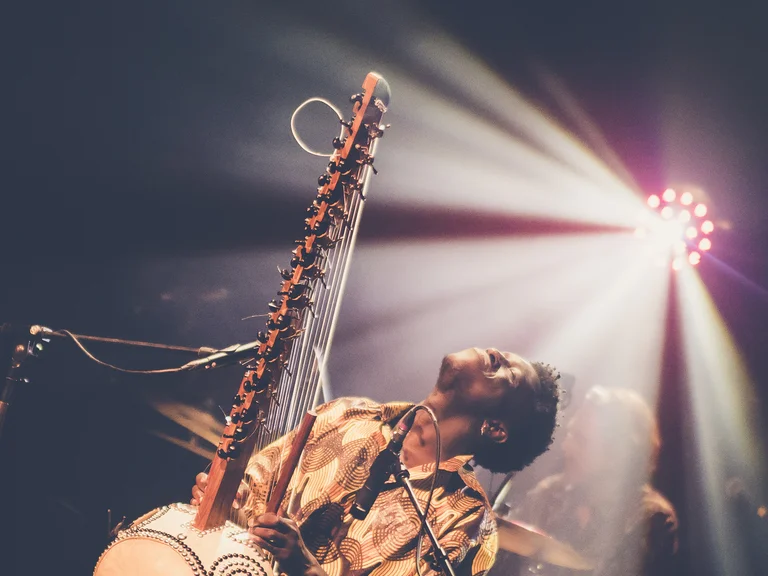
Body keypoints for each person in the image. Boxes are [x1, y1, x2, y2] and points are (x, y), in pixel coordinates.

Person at [191, 347, 562, 576]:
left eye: (511, 375)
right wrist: (225, 497)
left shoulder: (464, 517)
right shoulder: (347, 413)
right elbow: (251, 493)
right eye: (506, 355)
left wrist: (304, 568)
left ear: (496, 429)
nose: (497, 353)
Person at [498, 386, 678, 576]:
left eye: (581, 440)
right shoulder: (550, 493)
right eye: (570, 434)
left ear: (617, 455)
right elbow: (503, 539)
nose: (566, 447)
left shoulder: (649, 517)